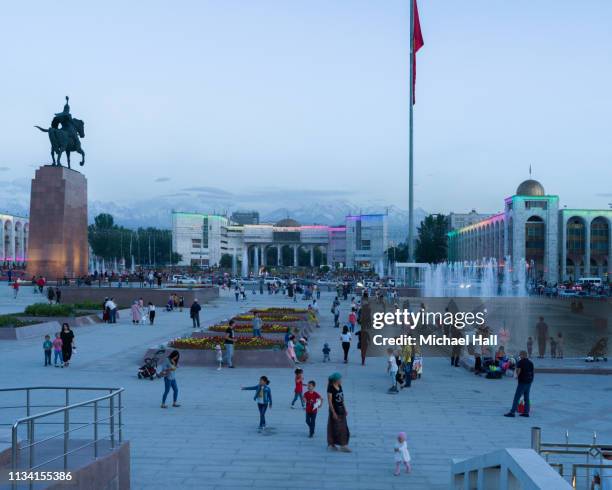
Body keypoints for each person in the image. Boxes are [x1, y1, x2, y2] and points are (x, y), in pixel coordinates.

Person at [504, 351, 534, 418]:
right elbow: (532, 372)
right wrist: (531, 380)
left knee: (517, 397)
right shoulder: (530, 362)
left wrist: (517, 376)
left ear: (523, 355)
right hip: (529, 382)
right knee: (526, 397)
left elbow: (518, 370)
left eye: (520, 355)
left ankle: (512, 412)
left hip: (522, 382)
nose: (520, 356)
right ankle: (526, 412)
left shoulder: (520, 362)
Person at [326, 372, 350, 452]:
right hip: (335, 410)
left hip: (341, 409)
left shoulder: (339, 386)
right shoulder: (330, 388)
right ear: (336, 380)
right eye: (340, 379)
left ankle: (343, 445)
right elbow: (329, 401)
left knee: (343, 428)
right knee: (334, 427)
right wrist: (333, 413)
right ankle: (332, 444)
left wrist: (345, 409)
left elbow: (342, 399)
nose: (341, 380)